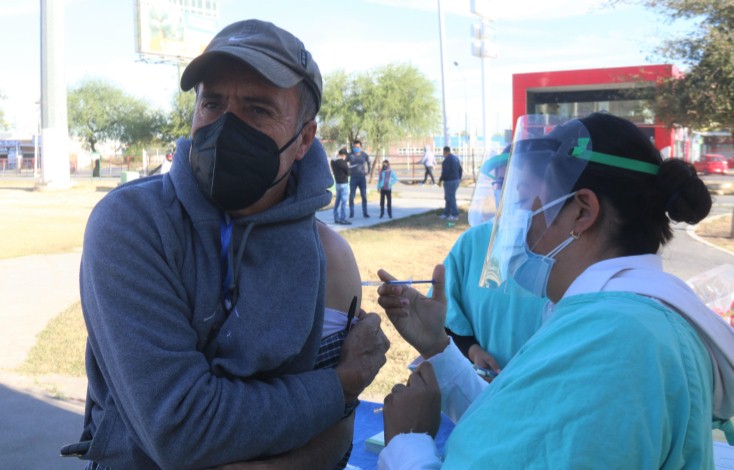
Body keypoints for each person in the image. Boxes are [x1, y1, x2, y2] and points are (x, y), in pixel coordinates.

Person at [63, 19, 390, 469]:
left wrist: (326, 404)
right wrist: (339, 386)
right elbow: (180, 430)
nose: (226, 127)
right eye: (212, 103)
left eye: (258, 109)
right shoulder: (132, 225)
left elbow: (335, 440)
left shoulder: (329, 260)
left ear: (304, 139)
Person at [376, 112, 734, 468]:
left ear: (582, 213)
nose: (516, 225)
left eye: (524, 203)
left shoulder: (612, 341)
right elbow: (521, 431)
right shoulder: (619, 320)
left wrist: (409, 444)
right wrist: (439, 347)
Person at [443, 144, 545, 375]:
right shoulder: (473, 243)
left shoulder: (562, 246)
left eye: (514, 179)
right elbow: (447, 313)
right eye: (499, 183)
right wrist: (472, 350)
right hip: (485, 385)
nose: (507, 190)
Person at [347, 139, 371, 218]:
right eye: (354, 147)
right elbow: (344, 162)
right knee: (351, 196)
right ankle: (351, 212)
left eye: (357, 147)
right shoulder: (350, 155)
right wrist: (347, 171)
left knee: (363, 196)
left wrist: (368, 171)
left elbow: (369, 161)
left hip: (362, 178)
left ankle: (365, 212)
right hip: (353, 178)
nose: (356, 148)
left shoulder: (364, 155)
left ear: (360, 147)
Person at [437, 146, 462, 221]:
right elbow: (460, 169)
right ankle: (446, 213)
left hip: (450, 181)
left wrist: (440, 180)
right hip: (456, 180)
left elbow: (445, 172)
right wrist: (459, 178)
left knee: (450, 198)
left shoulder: (447, 160)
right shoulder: (456, 158)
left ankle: (455, 214)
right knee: (448, 197)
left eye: (443, 153)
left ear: (445, 152)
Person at [331, 147, 351, 225]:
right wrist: (348, 165)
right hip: (344, 184)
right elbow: (349, 173)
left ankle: (336, 218)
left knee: (337, 201)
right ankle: (343, 219)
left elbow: (334, 160)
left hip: (337, 183)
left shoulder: (333, 162)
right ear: (343, 155)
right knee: (344, 202)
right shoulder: (343, 163)